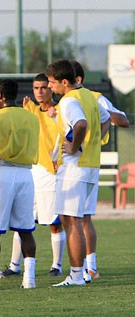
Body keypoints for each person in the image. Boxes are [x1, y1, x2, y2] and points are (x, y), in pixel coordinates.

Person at [45, 59, 110, 287]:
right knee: (74, 219)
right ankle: (81, 271)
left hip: (74, 166)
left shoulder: (68, 101)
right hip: (90, 165)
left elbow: (80, 124)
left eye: (52, 83)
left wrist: (74, 146)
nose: (50, 87)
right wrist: (93, 143)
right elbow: (107, 119)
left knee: (71, 221)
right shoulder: (90, 96)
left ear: (64, 82)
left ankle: (76, 274)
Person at [1, 73, 66, 278]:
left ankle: (56, 265)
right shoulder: (29, 110)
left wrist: (57, 118)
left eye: (44, 87)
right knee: (23, 220)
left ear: (51, 89)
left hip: (51, 172)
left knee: (54, 222)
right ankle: (14, 265)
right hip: (30, 171)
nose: (39, 91)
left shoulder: (61, 111)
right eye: (36, 87)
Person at [71, 60, 129, 282]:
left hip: (86, 163)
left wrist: (100, 115)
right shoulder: (65, 101)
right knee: (70, 219)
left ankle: (90, 266)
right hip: (65, 165)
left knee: (82, 217)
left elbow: (121, 120)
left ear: (77, 80)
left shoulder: (94, 98)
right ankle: (68, 266)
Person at [0, 79, 39, 290]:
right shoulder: (32, 118)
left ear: (1, 96)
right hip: (25, 174)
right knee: (25, 230)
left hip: (1, 173)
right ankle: (29, 278)